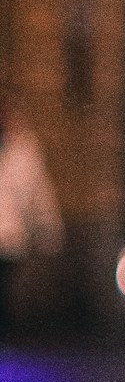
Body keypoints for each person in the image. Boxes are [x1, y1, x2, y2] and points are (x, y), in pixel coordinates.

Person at [0, 101, 62, 333]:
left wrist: (48, 229)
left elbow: (37, 192)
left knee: (4, 288)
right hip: (9, 232)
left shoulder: (23, 149)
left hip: (9, 237)